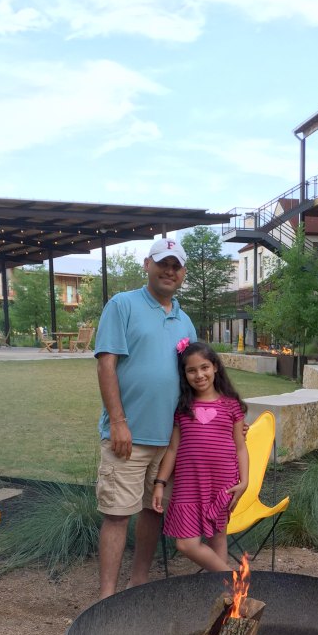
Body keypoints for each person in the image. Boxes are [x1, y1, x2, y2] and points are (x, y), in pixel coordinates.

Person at [94, 237, 195, 598]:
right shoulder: (123, 305)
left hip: (169, 443)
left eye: (176, 265)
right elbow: (107, 364)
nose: (170, 270)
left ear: (183, 272)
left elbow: (197, 379)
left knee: (153, 512)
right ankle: (106, 599)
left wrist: (228, 420)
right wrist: (119, 422)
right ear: (147, 265)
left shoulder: (185, 321)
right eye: (163, 262)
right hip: (128, 437)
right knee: (118, 515)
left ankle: (138, 583)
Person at [152, 341, 249, 572]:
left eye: (204, 367)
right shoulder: (183, 408)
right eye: (191, 370)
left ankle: (227, 600)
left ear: (215, 367)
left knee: (217, 539)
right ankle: (234, 579)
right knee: (186, 544)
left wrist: (244, 482)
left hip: (221, 484)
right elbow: (173, 450)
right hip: (189, 485)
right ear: (184, 375)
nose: (199, 375)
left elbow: (240, 448)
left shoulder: (231, 406)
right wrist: (160, 483)